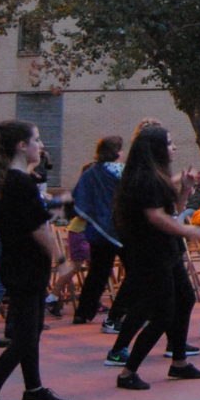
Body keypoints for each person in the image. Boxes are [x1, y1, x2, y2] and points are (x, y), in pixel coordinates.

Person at [0, 120, 70, 400]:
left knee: (32, 331)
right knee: (25, 337)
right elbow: (38, 227)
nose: (41, 145)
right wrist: (61, 259)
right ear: (21, 146)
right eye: (36, 140)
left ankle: (33, 389)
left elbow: (35, 216)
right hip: (24, 267)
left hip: (27, 266)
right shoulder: (18, 183)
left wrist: (58, 205)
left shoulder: (17, 181)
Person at [109, 124, 200, 389]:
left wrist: (185, 190)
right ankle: (128, 372)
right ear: (155, 149)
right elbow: (155, 216)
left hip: (167, 250)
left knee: (185, 298)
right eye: (168, 143)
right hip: (151, 254)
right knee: (163, 313)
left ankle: (179, 362)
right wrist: (188, 230)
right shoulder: (144, 179)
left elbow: (172, 210)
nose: (173, 147)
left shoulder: (157, 177)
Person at [69, 136, 125, 325]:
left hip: (99, 231)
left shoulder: (91, 172)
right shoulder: (123, 171)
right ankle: (121, 312)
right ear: (117, 152)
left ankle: (83, 312)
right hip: (121, 228)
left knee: (97, 273)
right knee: (134, 272)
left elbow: (79, 197)